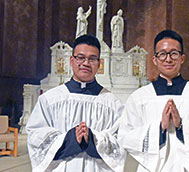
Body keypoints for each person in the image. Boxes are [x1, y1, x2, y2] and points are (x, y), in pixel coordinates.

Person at [118, 30, 189, 172]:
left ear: (182, 58)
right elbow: (125, 136)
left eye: (174, 54)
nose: (168, 59)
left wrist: (182, 126)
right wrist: (159, 129)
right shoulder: (139, 97)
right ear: (155, 59)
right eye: (162, 54)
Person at [26, 35, 126, 172]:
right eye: (80, 57)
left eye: (92, 59)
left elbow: (122, 140)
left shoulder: (112, 103)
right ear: (72, 60)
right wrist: (70, 139)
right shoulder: (50, 99)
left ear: (99, 63)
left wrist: (92, 139)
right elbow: (35, 136)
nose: (86, 63)